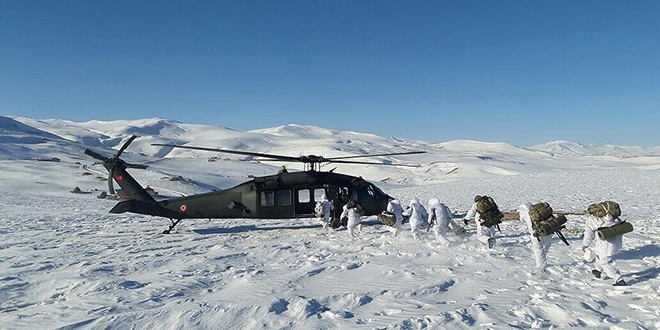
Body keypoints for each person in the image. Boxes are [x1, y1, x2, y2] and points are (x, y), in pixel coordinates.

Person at [582, 204, 627, 286]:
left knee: (605, 261)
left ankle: (618, 279)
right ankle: (598, 270)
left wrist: (585, 245)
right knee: (600, 255)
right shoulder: (614, 218)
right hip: (616, 242)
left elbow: (588, 234)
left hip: (604, 244)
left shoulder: (592, 220)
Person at [519, 202, 553, 272]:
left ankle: (541, 265)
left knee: (538, 248)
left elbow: (521, 219)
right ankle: (542, 258)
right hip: (549, 229)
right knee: (546, 245)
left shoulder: (527, 213)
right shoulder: (540, 212)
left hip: (536, 233)